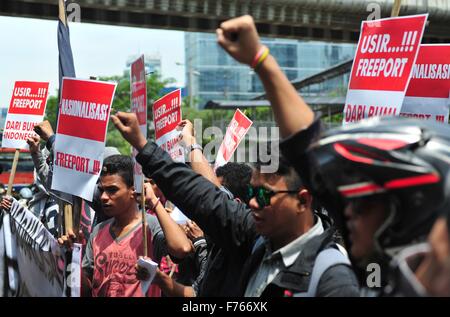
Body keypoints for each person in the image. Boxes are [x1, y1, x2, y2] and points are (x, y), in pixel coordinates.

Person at [111, 107, 360, 297]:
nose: (252, 204)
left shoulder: (332, 276)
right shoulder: (253, 238)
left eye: (264, 196)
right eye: (252, 194)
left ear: (302, 201)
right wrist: (143, 146)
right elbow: (203, 195)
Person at [58, 155, 191, 297]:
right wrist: (73, 255)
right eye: (102, 189)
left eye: (112, 190)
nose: (103, 197)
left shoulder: (150, 227)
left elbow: (182, 248)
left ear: (133, 190)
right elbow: (85, 290)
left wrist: (154, 202)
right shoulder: (98, 231)